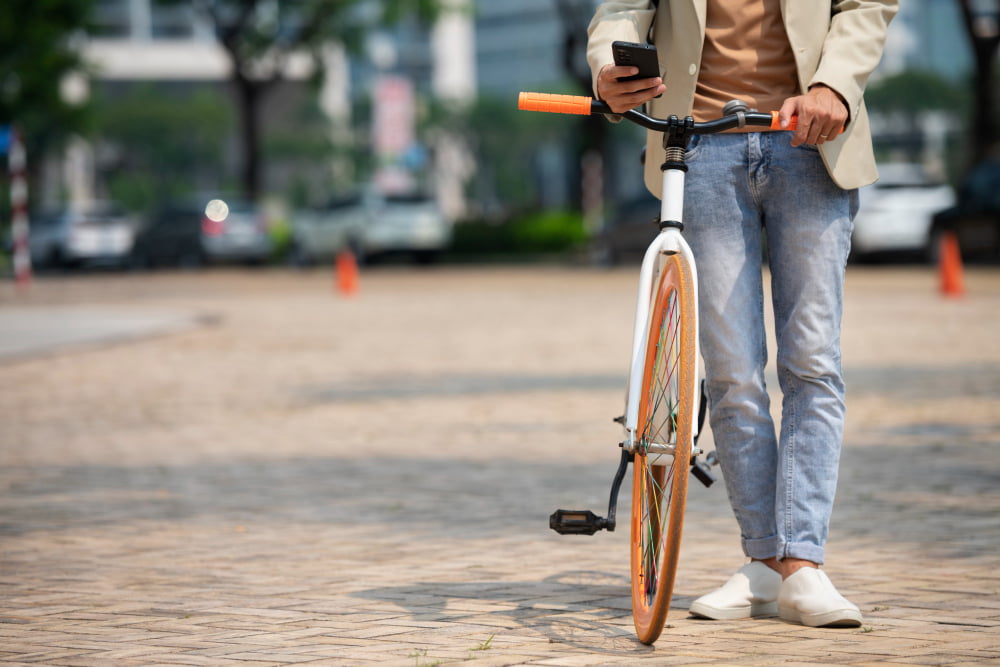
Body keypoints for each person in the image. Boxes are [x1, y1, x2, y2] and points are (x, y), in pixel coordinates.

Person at [587, 0, 897, 627]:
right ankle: (764, 560)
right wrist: (607, 66)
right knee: (731, 368)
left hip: (813, 141)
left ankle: (802, 562)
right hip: (700, 148)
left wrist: (833, 84)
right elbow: (621, 9)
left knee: (811, 360)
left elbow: (865, 5)